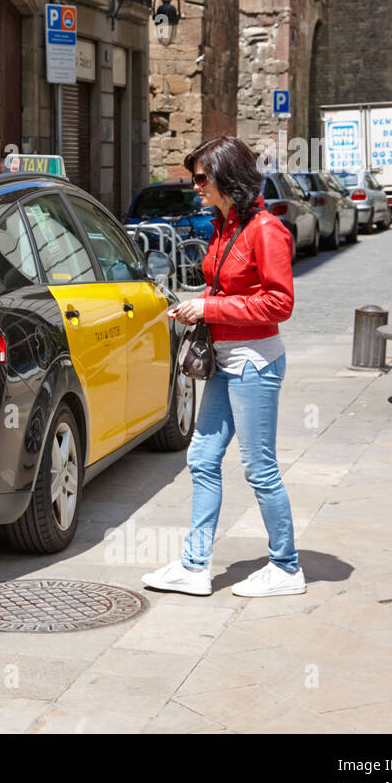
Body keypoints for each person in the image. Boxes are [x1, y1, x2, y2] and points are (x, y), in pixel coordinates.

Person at [142, 135, 303, 598]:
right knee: (202, 458)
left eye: (201, 177)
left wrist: (209, 310)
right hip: (226, 362)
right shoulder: (226, 224)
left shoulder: (266, 229)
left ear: (227, 178)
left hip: (255, 363)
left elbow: (279, 302)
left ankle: (287, 567)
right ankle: (194, 567)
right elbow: (227, 285)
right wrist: (200, 302)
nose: (194, 186)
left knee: (259, 468)